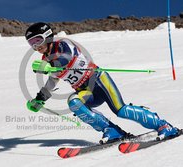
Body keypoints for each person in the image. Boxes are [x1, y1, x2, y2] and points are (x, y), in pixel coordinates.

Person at [25, 22, 179, 143]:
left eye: (38, 40)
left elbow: (66, 57)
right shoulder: (46, 60)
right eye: (31, 43)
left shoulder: (63, 44)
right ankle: (112, 131)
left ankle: (163, 125)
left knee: (121, 110)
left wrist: (50, 66)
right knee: (74, 102)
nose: (36, 46)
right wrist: (40, 99)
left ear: (48, 36)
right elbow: (52, 82)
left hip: (98, 80)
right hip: (85, 91)